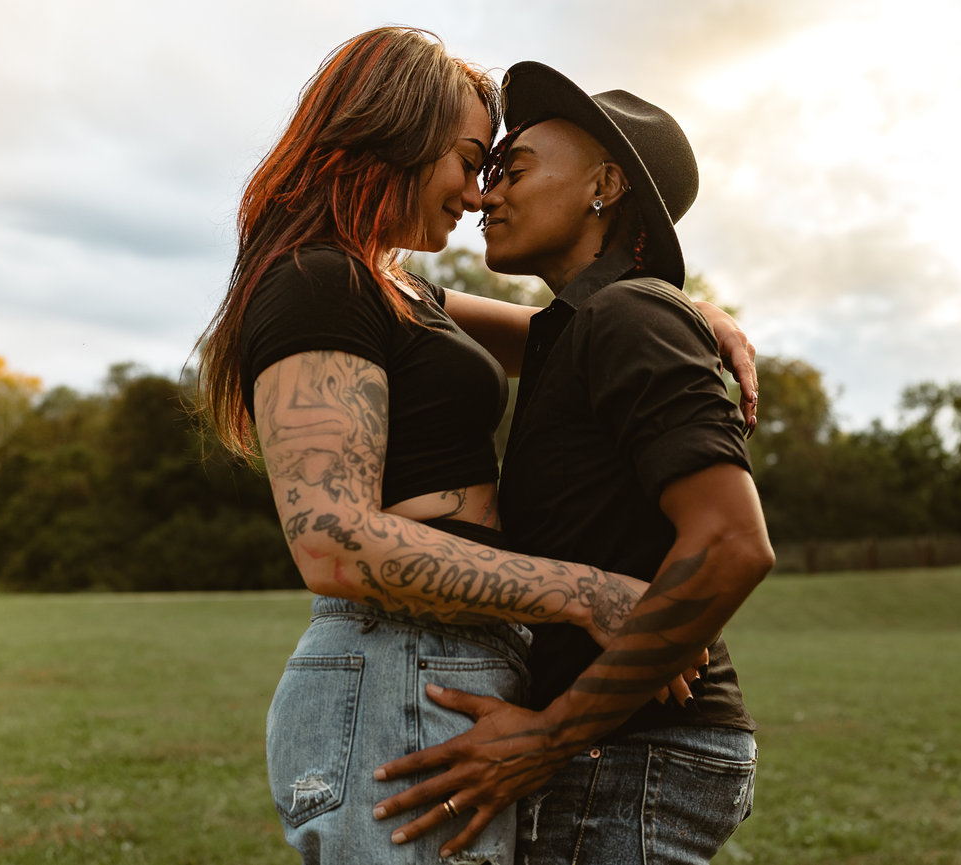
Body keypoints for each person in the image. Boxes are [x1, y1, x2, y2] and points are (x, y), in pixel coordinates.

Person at [194, 31, 757, 865]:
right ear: (396, 132)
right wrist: (587, 591)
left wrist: (693, 311)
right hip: (396, 658)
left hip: (449, 659)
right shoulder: (320, 280)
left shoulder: (399, 290)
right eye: (469, 159)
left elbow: (563, 332)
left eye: (498, 167)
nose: (475, 190)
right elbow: (331, 542)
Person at [372, 63, 775, 865]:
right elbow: (380, 289)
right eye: (484, 174)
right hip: (617, 750)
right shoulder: (575, 328)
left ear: (606, 184)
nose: (485, 196)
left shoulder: (629, 316)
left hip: (633, 752)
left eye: (512, 170)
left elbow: (734, 544)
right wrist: (693, 304)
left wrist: (550, 734)